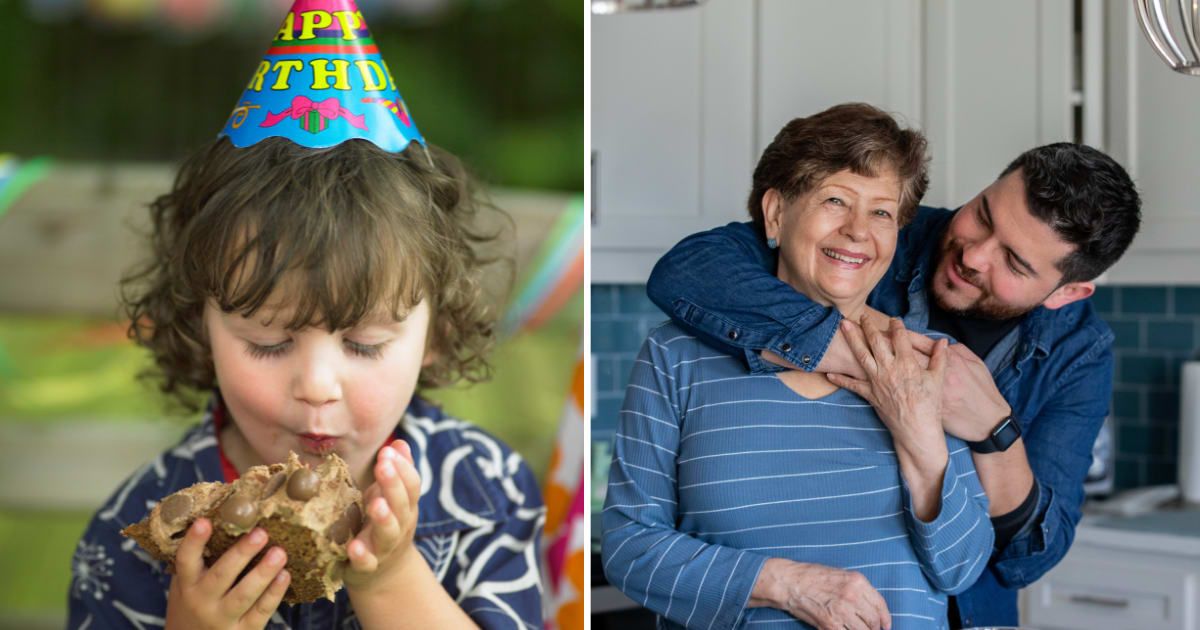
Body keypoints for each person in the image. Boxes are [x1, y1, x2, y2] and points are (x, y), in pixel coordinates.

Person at [66, 3, 544, 628]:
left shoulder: (486, 489)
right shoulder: (139, 535)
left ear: (437, 330)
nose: (317, 386)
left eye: (366, 343)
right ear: (198, 325)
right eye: (267, 341)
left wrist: (392, 579)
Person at [645, 123, 1141, 626]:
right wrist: (876, 360)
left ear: (1065, 293)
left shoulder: (1078, 350)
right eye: (984, 215)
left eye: (1012, 261)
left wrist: (994, 431)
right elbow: (687, 271)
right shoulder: (881, 230)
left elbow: (1032, 553)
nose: (973, 256)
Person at [603, 103, 995, 630]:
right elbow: (629, 548)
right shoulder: (677, 357)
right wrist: (782, 584)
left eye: (881, 212)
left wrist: (920, 436)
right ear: (775, 214)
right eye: (835, 200)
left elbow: (963, 569)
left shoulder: (928, 360)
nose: (859, 231)